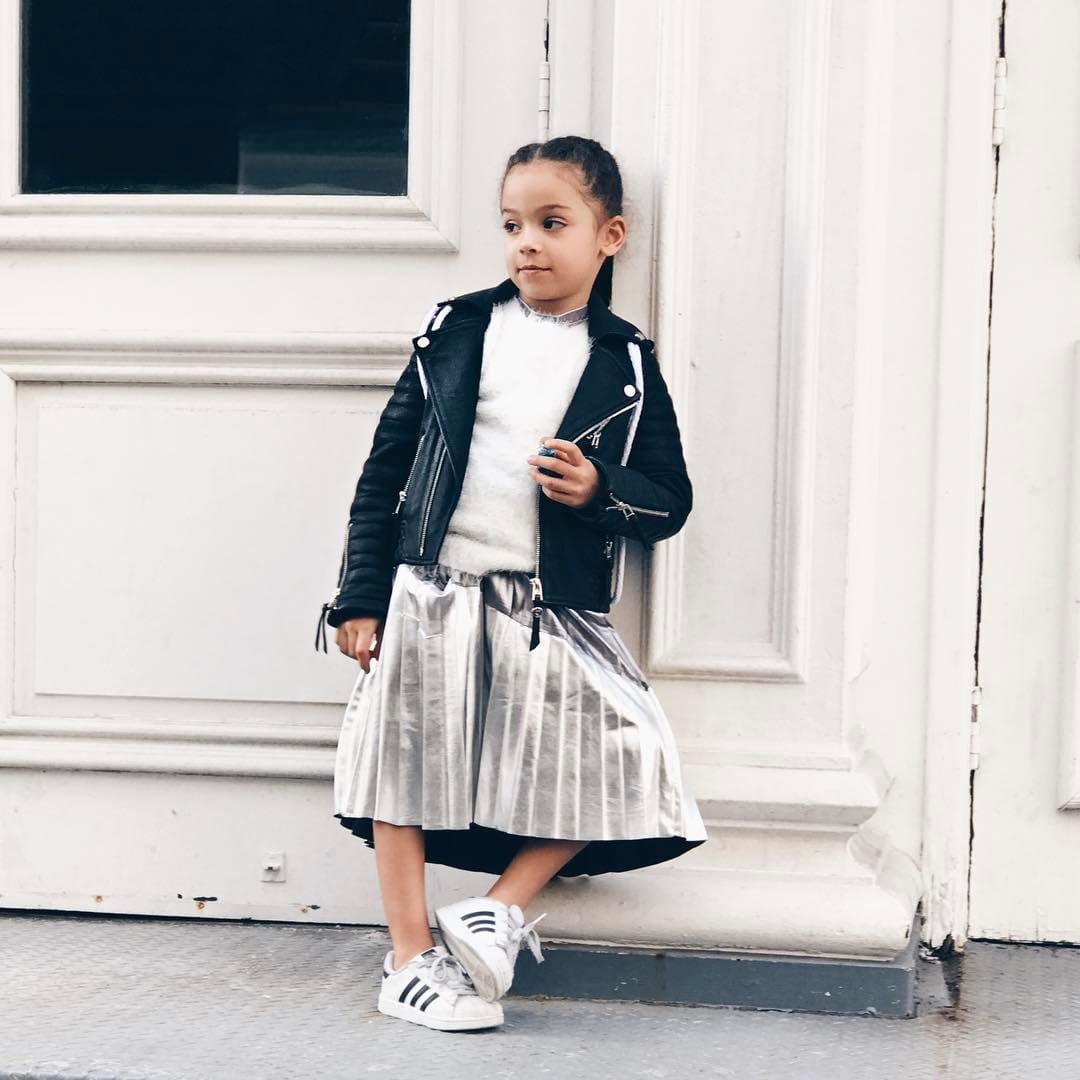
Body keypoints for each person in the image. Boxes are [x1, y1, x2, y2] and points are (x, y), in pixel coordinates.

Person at [314, 135, 707, 1032]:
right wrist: (362, 596)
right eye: (511, 225)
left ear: (609, 237)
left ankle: (498, 908)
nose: (526, 242)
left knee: (625, 753)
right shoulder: (456, 333)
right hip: (431, 589)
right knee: (402, 769)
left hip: (547, 604)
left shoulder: (626, 362)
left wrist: (601, 491)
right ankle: (409, 958)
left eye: (551, 223)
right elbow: (385, 474)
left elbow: (669, 499)